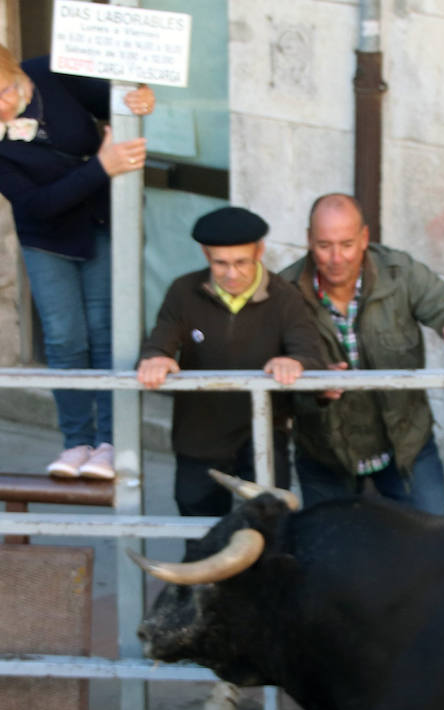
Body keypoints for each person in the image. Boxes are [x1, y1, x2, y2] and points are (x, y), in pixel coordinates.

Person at [0, 31, 155, 480]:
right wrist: (100, 166)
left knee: (105, 332)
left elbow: (116, 102)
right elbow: (34, 204)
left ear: (14, 70)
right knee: (63, 339)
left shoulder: (50, 73)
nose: (1, 106)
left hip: (100, 222)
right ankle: (76, 442)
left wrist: (139, 100)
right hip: (46, 234)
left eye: (4, 90)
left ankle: (110, 442)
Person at [280, 193, 444, 514]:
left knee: (430, 545)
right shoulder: (286, 292)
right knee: (332, 555)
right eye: (325, 245)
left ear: (365, 238)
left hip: (405, 446)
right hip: (325, 454)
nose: (336, 258)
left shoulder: (400, 273)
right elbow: (271, 379)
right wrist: (313, 390)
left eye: (347, 244)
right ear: (309, 241)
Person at [137, 206, 325, 521]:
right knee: (199, 533)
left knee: (268, 530)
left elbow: (310, 355)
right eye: (219, 263)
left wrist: (295, 362)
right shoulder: (183, 291)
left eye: (241, 262)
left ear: (260, 251)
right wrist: (156, 358)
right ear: (204, 253)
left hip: (263, 438)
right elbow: (160, 341)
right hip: (198, 438)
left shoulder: (286, 298)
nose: (231, 274)